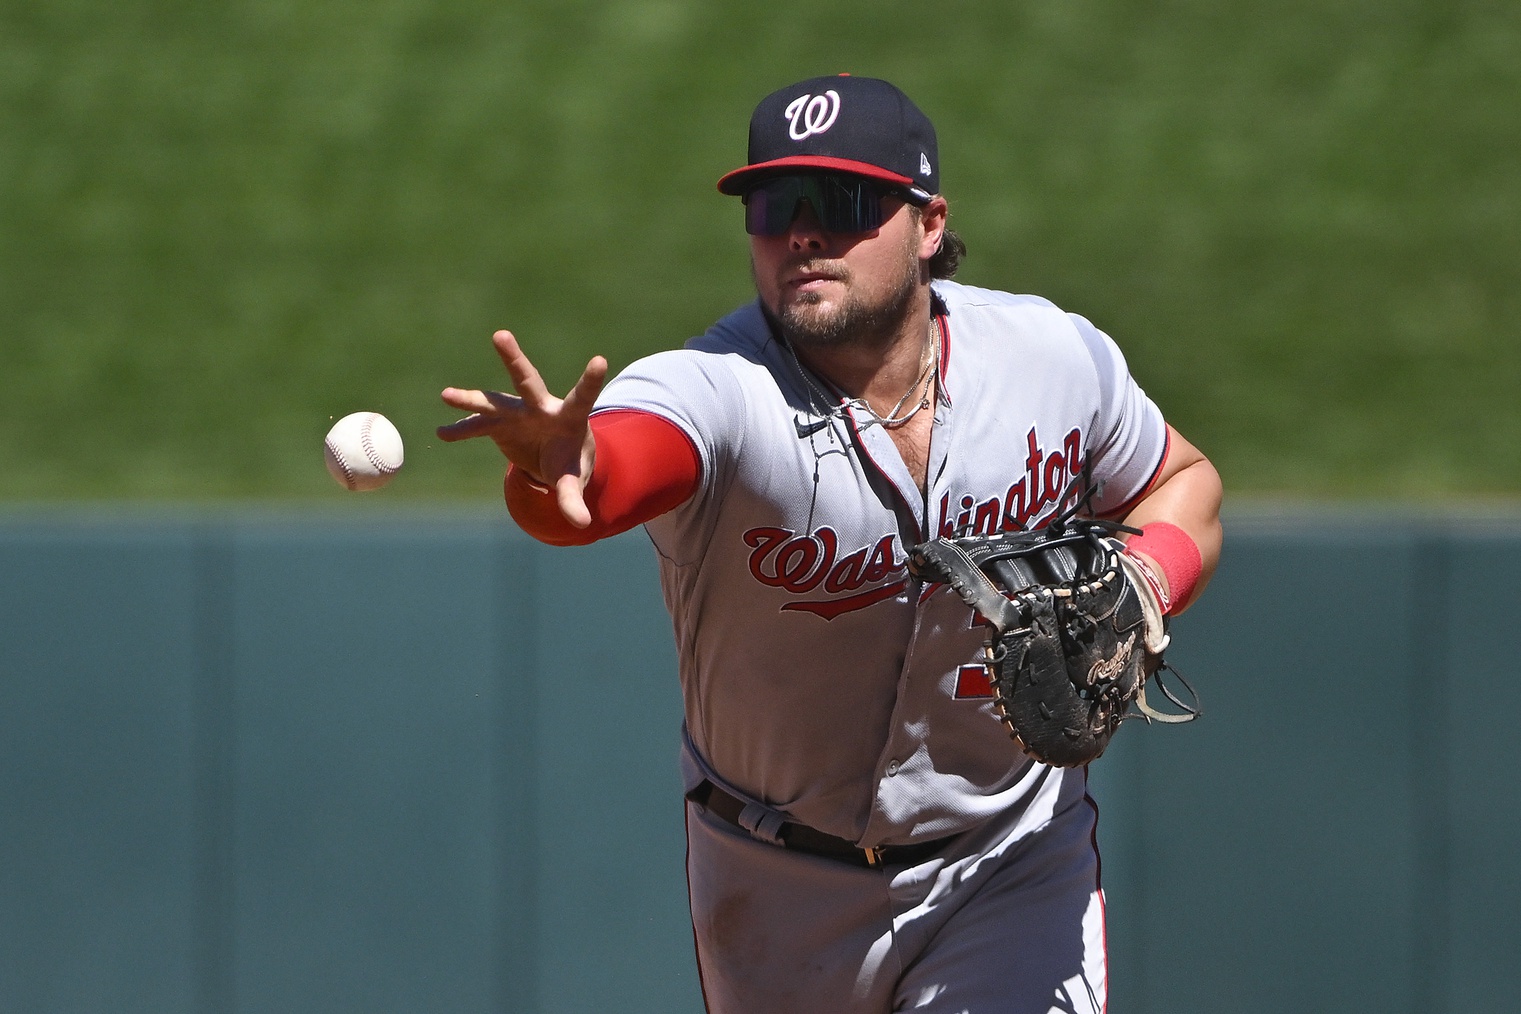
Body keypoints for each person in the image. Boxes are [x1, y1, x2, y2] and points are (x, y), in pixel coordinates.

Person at [439, 74, 1223, 1014]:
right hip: (772, 889)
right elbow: (595, 489)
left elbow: (1184, 484)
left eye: (840, 202)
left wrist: (1146, 577)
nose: (800, 233)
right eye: (772, 207)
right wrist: (561, 466)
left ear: (928, 223)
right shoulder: (719, 387)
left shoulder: (1051, 359)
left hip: (1009, 865)